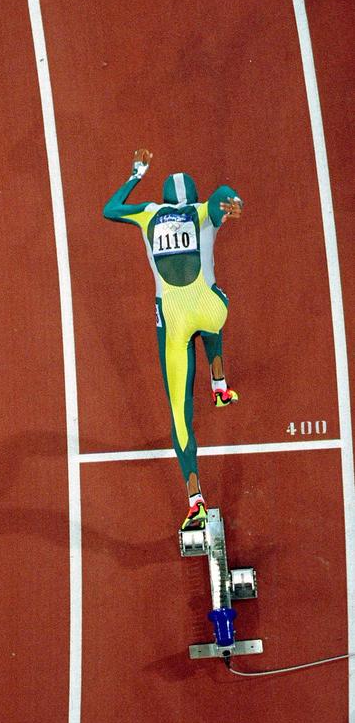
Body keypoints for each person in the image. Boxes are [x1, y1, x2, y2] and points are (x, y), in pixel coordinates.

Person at [103, 149, 243, 530]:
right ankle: (219, 386)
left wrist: (136, 174)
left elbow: (109, 209)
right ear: (193, 197)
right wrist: (232, 202)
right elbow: (223, 196)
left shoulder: (148, 212)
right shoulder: (202, 210)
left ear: (164, 200)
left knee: (180, 416)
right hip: (210, 309)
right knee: (217, 307)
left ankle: (195, 497)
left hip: (173, 321)